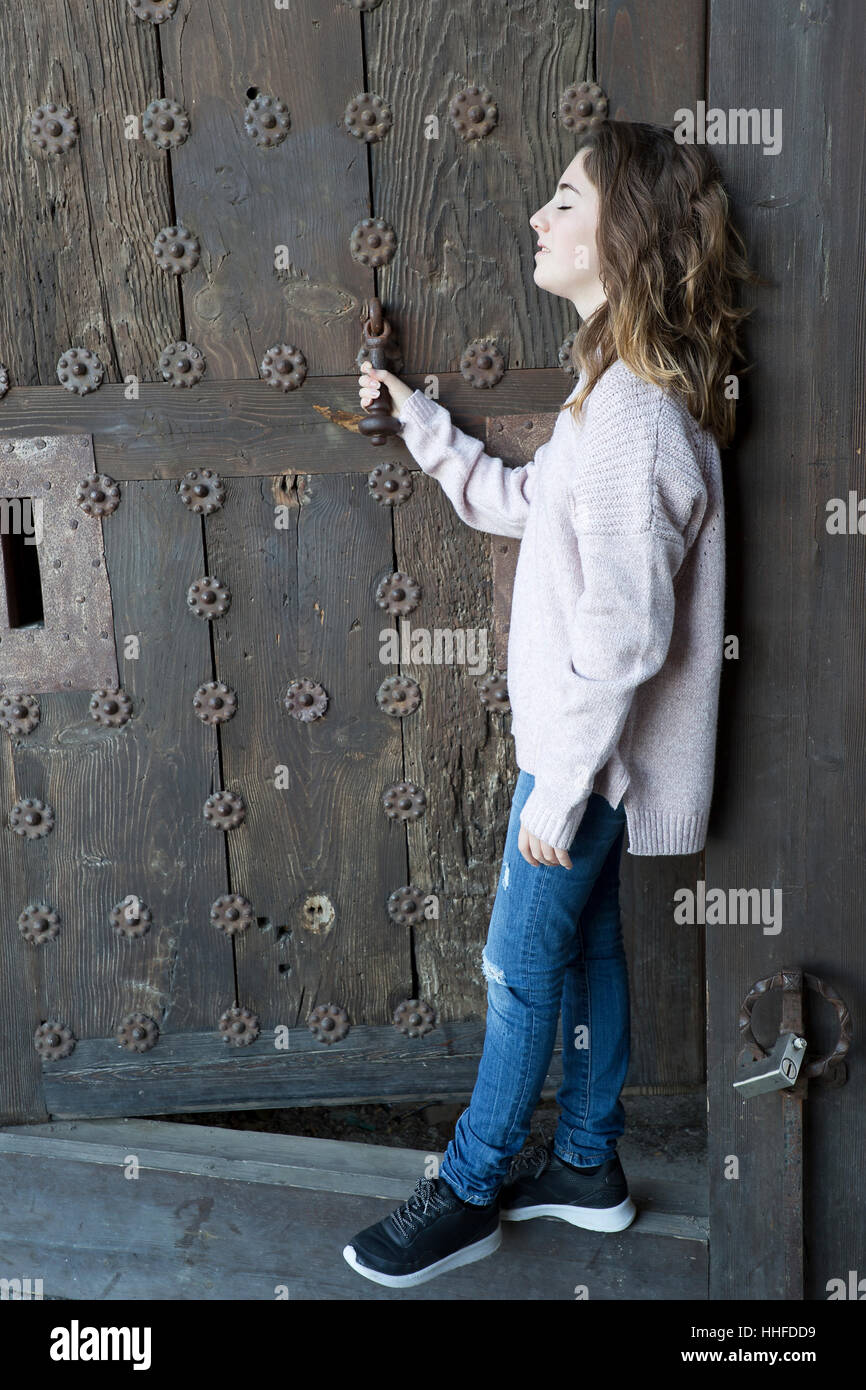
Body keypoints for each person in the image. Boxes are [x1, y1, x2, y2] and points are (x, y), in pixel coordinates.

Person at [342, 119, 757, 1289]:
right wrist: (423, 424)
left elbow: (629, 634)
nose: (537, 217)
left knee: (518, 964)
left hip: (585, 763)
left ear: (621, 235)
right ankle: (584, 1164)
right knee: (581, 958)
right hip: (590, 761)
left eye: (562, 201)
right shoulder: (611, 395)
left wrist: (564, 786)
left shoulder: (632, 414)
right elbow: (525, 504)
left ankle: (470, 1187)